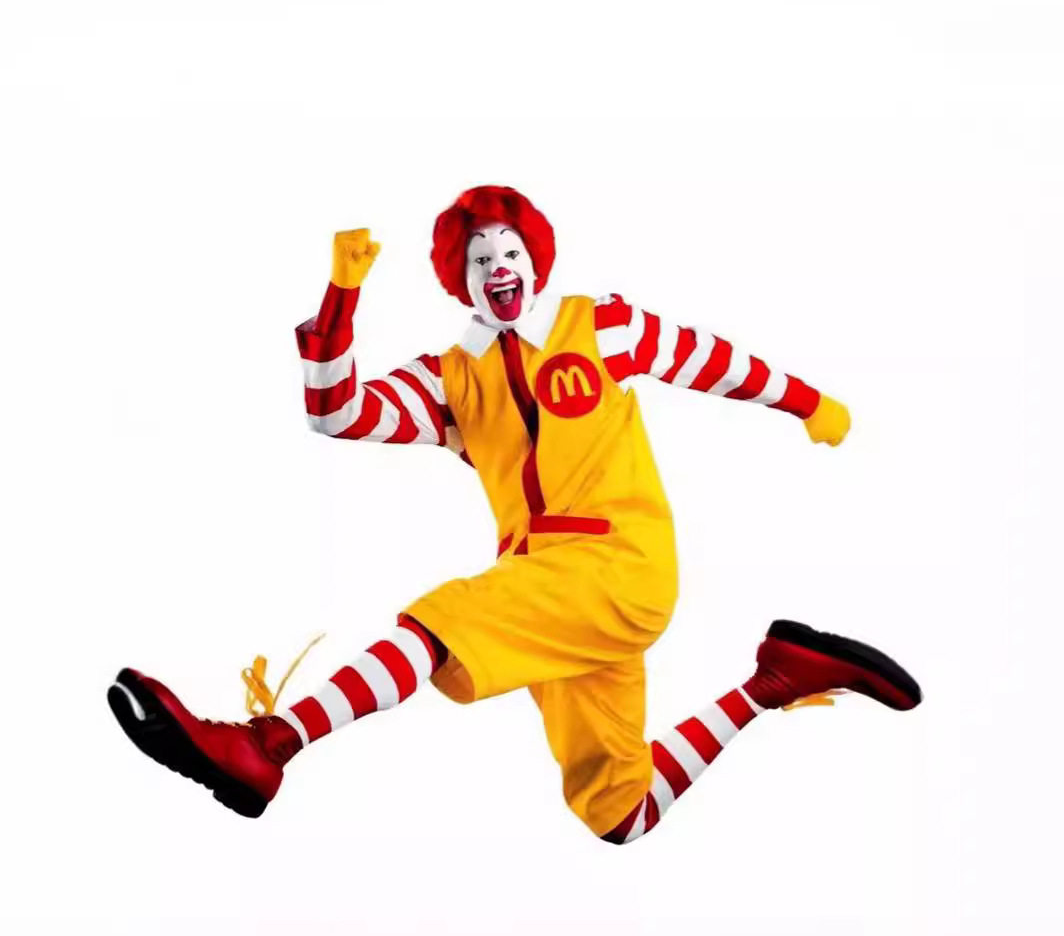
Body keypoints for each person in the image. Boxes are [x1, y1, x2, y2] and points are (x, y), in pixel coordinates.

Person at [108, 185, 920, 844]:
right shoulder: (451, 379)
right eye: (479, 258)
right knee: (620, 812)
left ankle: (269, 744)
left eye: (510, 251)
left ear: (535, 260)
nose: (498, 266)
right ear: (460, 282)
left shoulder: (598, 326)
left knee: (440, 623)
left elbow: (709, 360)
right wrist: (341, 298)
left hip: (620, 567)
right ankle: (775, 679)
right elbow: (339, 414)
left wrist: (810, 404)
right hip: (550, 592)